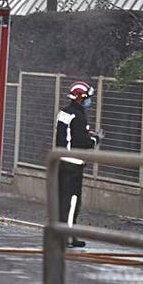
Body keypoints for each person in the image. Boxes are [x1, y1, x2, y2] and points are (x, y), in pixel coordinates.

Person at [54, 81, 99, 248]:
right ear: (81, 98)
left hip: (61, 162)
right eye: (88, 98)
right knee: (73, 201)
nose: (89, 101)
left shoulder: (65, 112)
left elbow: (67, 135)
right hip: (73, 165)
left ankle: (60, 233)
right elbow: (80, 141)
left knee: (62, 200)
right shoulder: (79, 115)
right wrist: (94, 139)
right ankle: (69, 237)